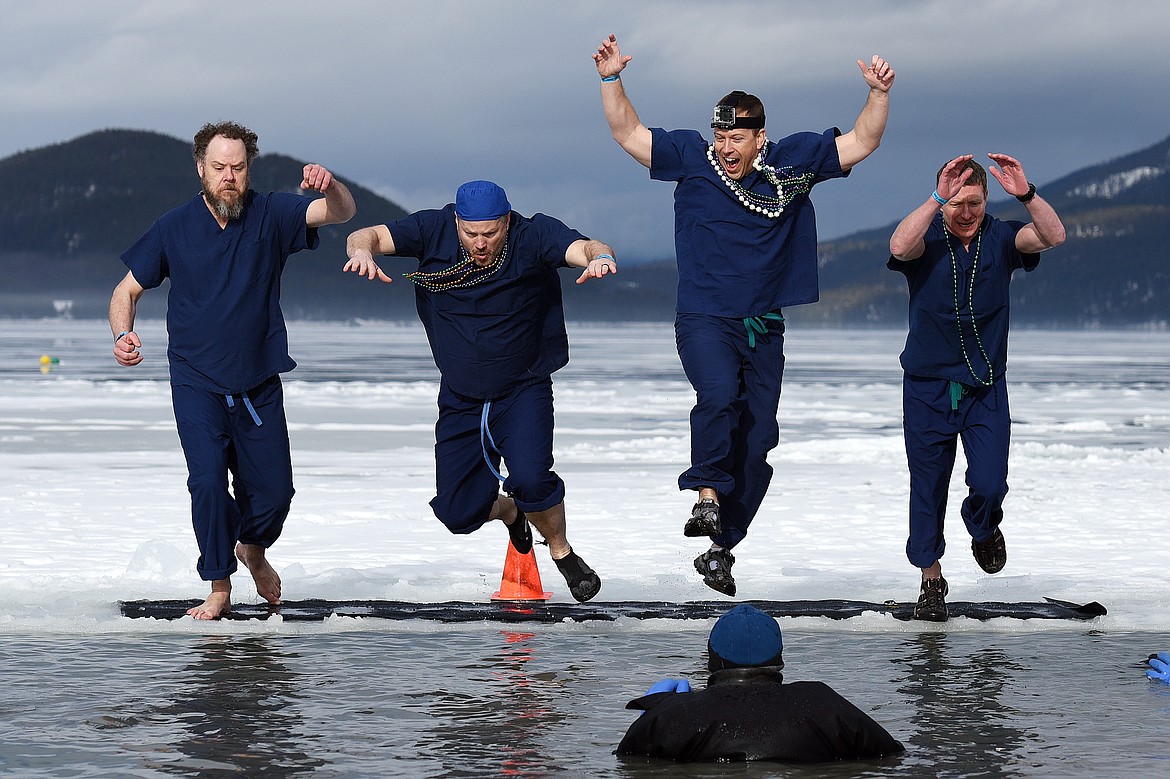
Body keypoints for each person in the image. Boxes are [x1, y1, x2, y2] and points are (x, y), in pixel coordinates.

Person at [593, 33, 895, 596]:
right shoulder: (691, 158)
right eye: (721, 135)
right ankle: (706, 497)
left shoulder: (791, 164)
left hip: (764, 326)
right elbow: (627, 133)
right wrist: (612, 80)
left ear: (761, 137)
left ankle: (720, 547)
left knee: (757, 444)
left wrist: (877, 94)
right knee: (717, 396)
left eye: (737, 136)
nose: (727, 146)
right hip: (705, 317)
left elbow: (861, 142)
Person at [109, 121, 357, 620]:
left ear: (249, 169)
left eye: (238, 167)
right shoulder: (173, 226)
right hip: (196, 380)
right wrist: (123, 334)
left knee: (275, 493)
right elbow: (125, 292)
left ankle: (253, 550)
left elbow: (339, 213)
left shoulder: (272, 213)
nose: (229, 177)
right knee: (206, 483)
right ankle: (219, 582)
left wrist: (331, 186)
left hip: (258, 381)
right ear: (201, 169)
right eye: (219, 167)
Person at [343, 180, 616, 602]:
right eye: (471, 233)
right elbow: (369, 235)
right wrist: (360, 250)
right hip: (460, 397)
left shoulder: (532, 235)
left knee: (530, 479)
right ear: (457, 222)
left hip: (521, 390)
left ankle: (562, 552)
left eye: (490, 233)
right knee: (457, 513)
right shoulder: (432, 230)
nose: (480, 242)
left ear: (506, 221)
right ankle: (509, 512)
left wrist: (599, 257)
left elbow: (582, 247)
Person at [888, 154, 1066, 621]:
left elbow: (1053, 236)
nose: (965, 212)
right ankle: (931, 581)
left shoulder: (1002, 237)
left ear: (986, 200)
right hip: (927, 390)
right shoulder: (926, 236)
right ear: (944, 201)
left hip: (985, 389)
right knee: (927, 488)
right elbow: (898, 245)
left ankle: (983, 527)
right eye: (956, 203)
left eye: (974, 202)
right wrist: (935, 198)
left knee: (990, 482)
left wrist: (1025, 194)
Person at [616, 603, 904, 762]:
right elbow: (892, 757)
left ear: (712, 661)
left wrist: (650, 717)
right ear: (779, 660)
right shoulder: (825, 704)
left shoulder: (672, 715)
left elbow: (626, 761)